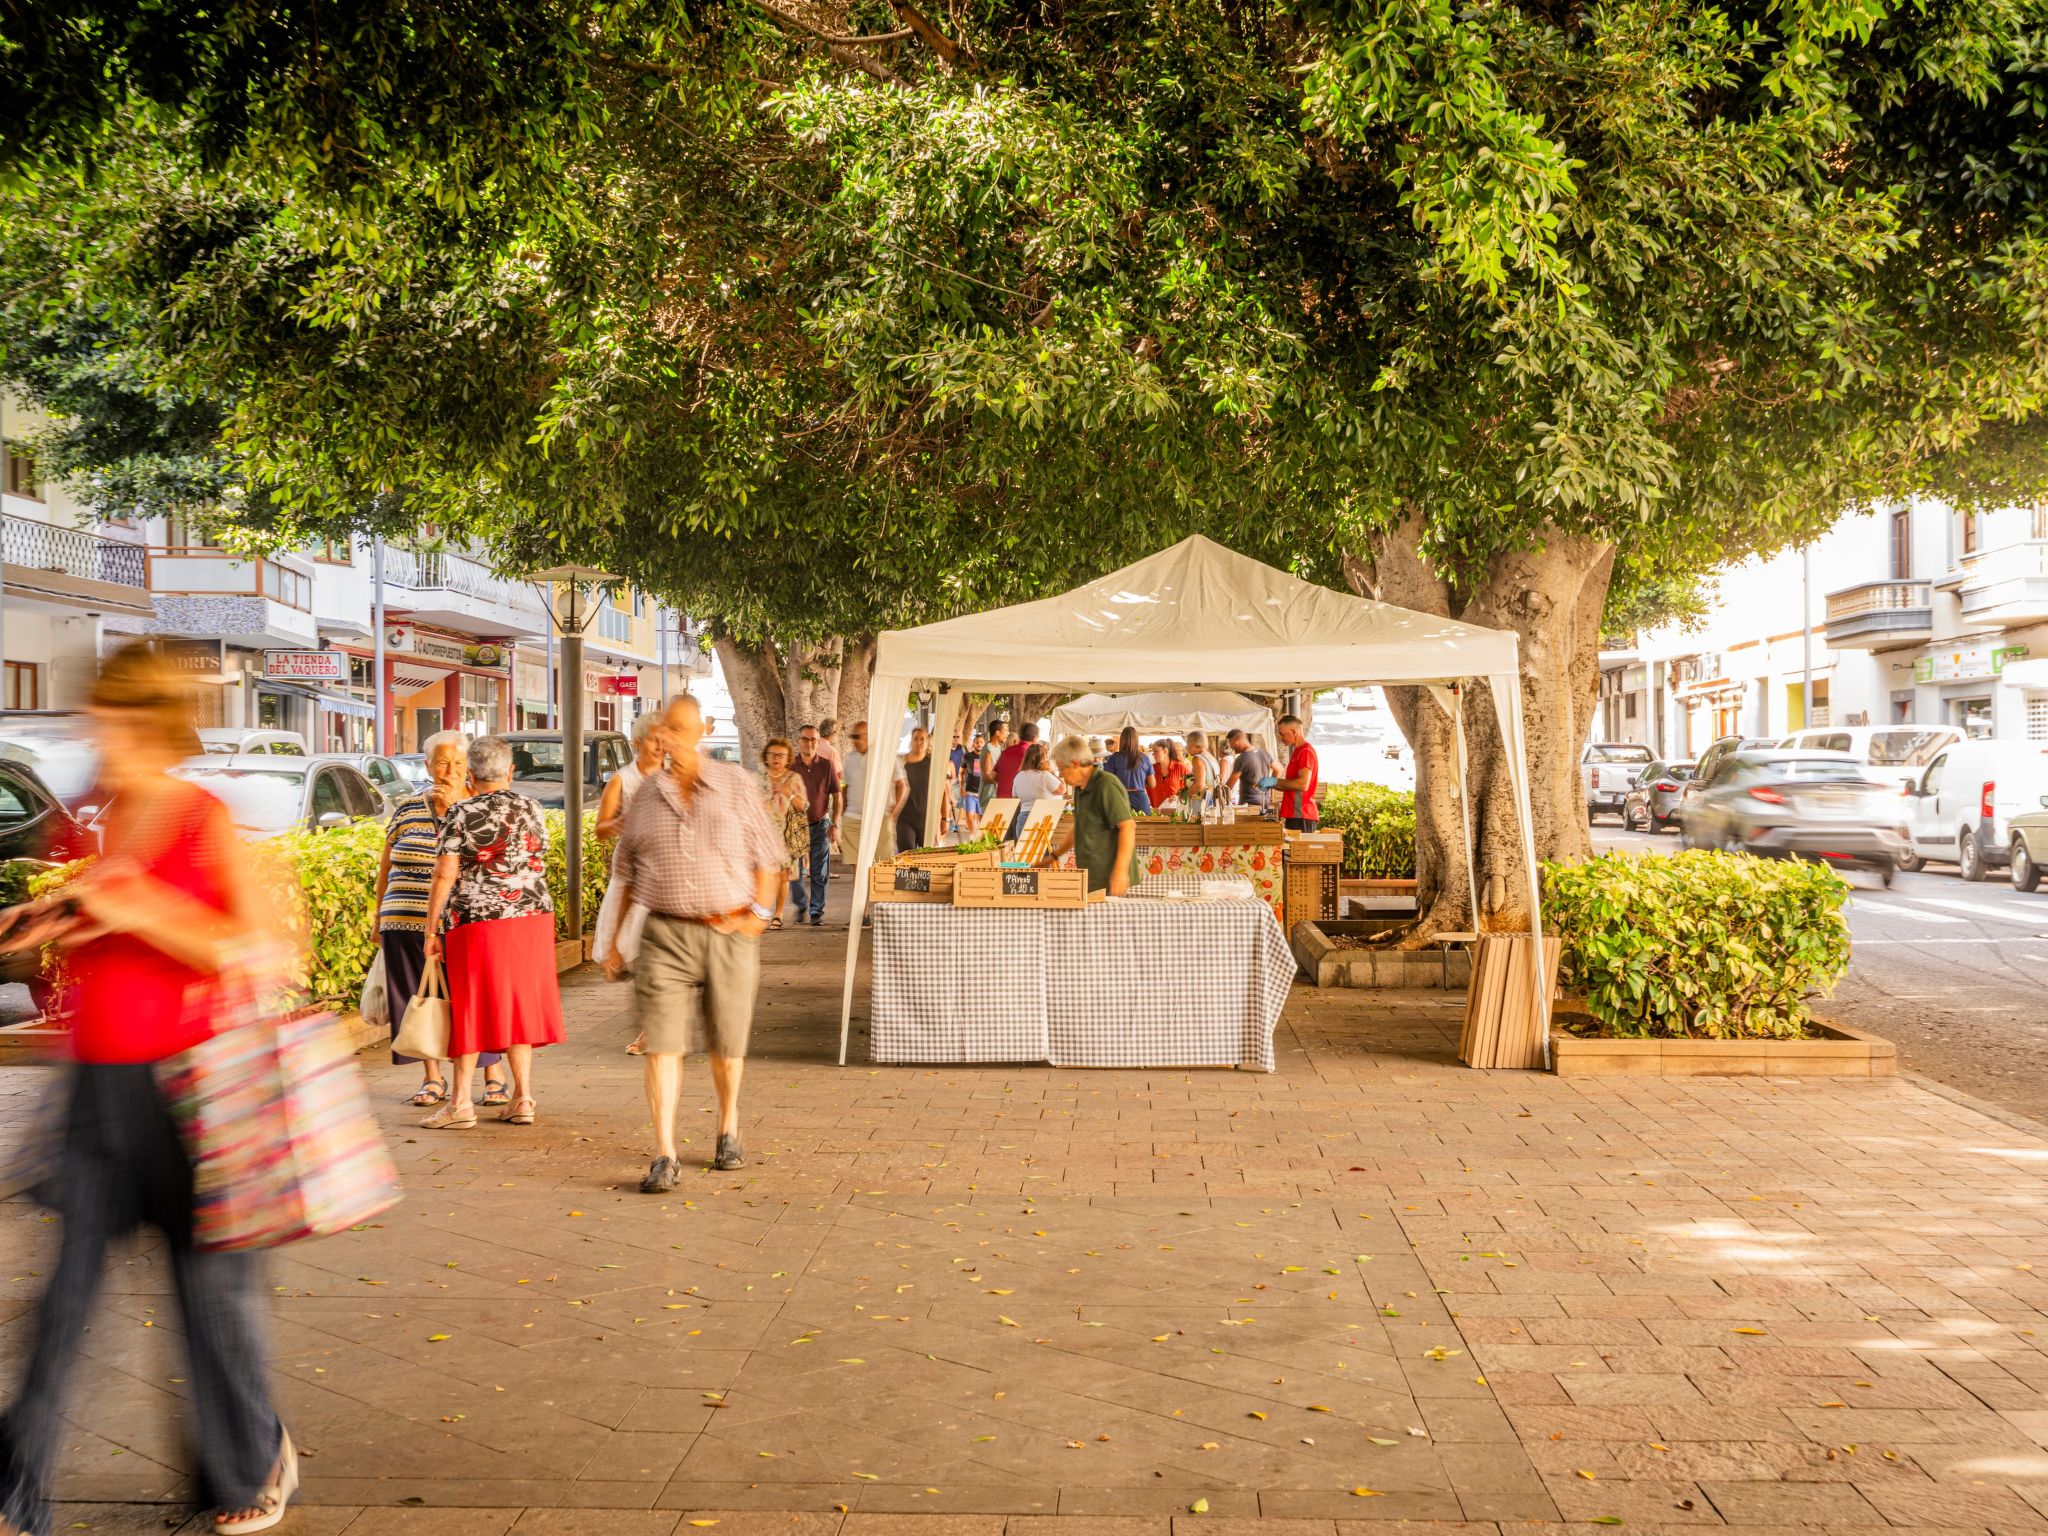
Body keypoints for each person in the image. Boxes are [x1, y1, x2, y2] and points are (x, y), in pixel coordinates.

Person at [0, 644, 297, 1535]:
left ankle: (249, 1464)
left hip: (189, 1093)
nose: (102, 732)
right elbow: (105, 925)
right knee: (63, 1302)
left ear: (152, 724)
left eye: (119, 718)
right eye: (100, 715)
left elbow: (263, 951)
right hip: (96, 1090)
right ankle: (16, 1494)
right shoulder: (104, 814)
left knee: (211, 1301)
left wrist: (143, 911)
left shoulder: (200, 817)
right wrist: (49, 921)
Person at [610, 694, 781, 1188]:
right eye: (664, 729)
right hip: (664, 934)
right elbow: (626, 869)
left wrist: (759, 917)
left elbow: (768, 858)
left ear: (700, 732)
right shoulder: (645, 795)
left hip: (727, 931)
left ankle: (728, 1127)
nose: (668, 738)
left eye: (678, 730)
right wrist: (618, 941)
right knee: (661, 1045)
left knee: (726, 1044)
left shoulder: (733, 785)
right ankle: (664, 1153)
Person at [421, 734, 564, 1130]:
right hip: (532, 917)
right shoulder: (532, 807)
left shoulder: (462, 812)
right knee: (519, 1005)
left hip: (478, 919)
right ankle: (522, 1097)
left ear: (471, 773)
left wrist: (431, 929)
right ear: (510, 771)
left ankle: (460, 1104)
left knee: (471, 1006)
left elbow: (445, 873)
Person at [375, 731, 507, 1107]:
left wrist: (452, 810)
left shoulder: (477, 807)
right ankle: (432, 1078)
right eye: (443, 763)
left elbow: (485, 861)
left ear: (469, 768)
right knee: (415, 999)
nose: (450, 771)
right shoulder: (406, 809)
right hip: (401, 921)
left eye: (459, 763)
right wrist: (377, 918)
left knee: (471, 1000)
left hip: (459, 923)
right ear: (428, 766)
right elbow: (385, 869)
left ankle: (492, 1073)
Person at [1045, 734, 1138, 895]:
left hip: (1110, 877)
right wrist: (1054, 856)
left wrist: (1120, 871)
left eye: (1061, 769)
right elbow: (1078, 828)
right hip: (1093, 876)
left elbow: (1128, 827)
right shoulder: (1080, 789)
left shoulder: (1106, 784)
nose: (1061, 774)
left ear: (1075, 764)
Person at [789, 724, 840, 927]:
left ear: (818, 742)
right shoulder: (790, 766)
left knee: (820, 871)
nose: (809, 743)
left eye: (814, 740)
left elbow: (837, 795)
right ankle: (801, 905)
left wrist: (835, 823)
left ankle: (816, 911)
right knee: (795, 871)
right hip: (795, 826)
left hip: (821, 824)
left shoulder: (827, 765)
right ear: (799, 741)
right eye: (806, 739)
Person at [759, 737, 810, 929]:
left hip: (785, 835)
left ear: (788, 758)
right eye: (773, 754)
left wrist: (786, 792)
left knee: (782, 876)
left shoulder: (793, 778)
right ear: (766, 756)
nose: (776, 759)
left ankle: (777, 915)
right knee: (762, 875)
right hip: (761, 834)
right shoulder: (757, 777)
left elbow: (803, 806)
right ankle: (761, 911)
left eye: (781, 755)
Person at [1273, 713, 1321, 832]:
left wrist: (1275, 781)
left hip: (1302, 814)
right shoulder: (1297, 751)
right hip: (1295, 814)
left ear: (1294, 732)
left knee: (1298, 850)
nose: (1281, 737)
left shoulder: (1306, 751)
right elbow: (1292, 785)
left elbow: (1302, 785)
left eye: (1282, 734)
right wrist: (1273, 784)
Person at [892, 725, 937, 854]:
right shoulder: (900, 763)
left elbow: (943, 791)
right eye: (916, 738)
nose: (919, 742)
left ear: (928, 742)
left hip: (926, 817)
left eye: (922, 739)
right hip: (905, 817)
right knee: (907, 854)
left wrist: (944, 818)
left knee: (927, 857)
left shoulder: (933, 764)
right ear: (911, 741)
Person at [835, 719, 874, 863]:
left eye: (857, 737)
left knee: (875, 861)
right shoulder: (850, 758)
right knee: (855, 861)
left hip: (875, 819)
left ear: (868, 736)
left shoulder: (879, 757)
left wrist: (892, 813)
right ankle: (858, 886)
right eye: (852, 736)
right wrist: (844, 812)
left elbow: (901, 784)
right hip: (852, 817)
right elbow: (845, 786)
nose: (853, 741)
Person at [1009, 741, 1063, 832]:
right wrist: (1052, 774)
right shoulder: (1045, 775)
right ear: (1043, 758)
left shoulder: (1018, 776)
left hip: (1023, 817)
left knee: (1022, 846)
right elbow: (1062, 789)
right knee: (1040, 846)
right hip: (1041, 818)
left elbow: (1015, 797)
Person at [1221, 728, 1273, 811]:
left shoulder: (1242, 758)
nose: (1231, 747)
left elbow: (1229, 785)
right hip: (1265, 802)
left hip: (1249, 805)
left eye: (1231, 743)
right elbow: (1278, 769)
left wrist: (1219, 796)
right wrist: (1268, 787)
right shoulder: (1264, 753)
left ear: (1237, 740)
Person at [1104, 725, 1153, 811]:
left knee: (1120, 824)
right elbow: (1152, 784)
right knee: (1144, 824)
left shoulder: (1114, 758)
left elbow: (1106, 781)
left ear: (1122, 740)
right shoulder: (1144, 758)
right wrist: (1140, 779)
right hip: (1140, 798)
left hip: (1120, 797)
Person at [993, 719, 1032, 803]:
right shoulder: (1026, 752)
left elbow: (994, 776)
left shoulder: (1003, 753)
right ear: (1015, 741)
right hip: (1017, 799)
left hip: (1001, 798)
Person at [957, 729, 985, 834]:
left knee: (982, 818)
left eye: (981, 742)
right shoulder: (967, 756)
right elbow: (961, 772)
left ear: (984, 744)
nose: (979, 744)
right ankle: (972, 837)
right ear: (973, 743)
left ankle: (980, 837)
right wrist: (961, 787)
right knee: (969, 816)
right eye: (977, 742)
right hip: (970, 792)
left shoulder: (987, 756)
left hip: (983, 793)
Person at [1150, 738, 1187, 810]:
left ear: (1165, 751)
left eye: (1156, 751)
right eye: (1153, 752)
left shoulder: (1181, 769)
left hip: (1176, 813)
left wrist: (1179, 797)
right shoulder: (1151, 769)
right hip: (1156, 814)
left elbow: (1191, 790)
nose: (1153, 754)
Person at [1186, 731, 1220, 810]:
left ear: (1194, 744)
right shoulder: (1212, 758)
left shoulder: (1198, 759)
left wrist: (1184, 795)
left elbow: (1199, 785)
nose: (1186, 748)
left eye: (1187, 744)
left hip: (1202, 804)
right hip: (1213, 801)